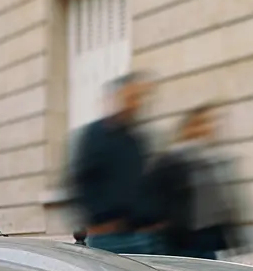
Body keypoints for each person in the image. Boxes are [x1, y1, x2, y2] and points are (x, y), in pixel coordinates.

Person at [70, 72, 163, 254]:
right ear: (118, 98)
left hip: (141, 236)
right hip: (109, 237)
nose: (136, 103)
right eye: (132, 97)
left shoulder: (137, 139)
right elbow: (79, 181)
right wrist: (98, 222)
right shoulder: (96, 135)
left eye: (139, 98)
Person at [150, 103, 243, 260]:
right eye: (201, 123)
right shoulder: (170, 160)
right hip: (181, 241)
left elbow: (226, 201)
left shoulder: (214, 159)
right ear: (188, 128)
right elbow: (155, 197)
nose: (208, 128)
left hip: (210, 237)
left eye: (210, 122)